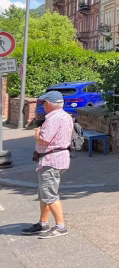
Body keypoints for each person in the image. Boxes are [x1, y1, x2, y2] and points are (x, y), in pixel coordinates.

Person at [22, 91, 74, 239]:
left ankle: (60, 227)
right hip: (59, 159)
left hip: (51, 160)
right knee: (44, 193)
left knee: (50, 195)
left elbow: (44, 140)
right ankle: (43, 223)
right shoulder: (65, 116)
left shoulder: (53, 118)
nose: (43, 105)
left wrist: (37, 133)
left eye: (44, 103)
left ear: (49, 104)